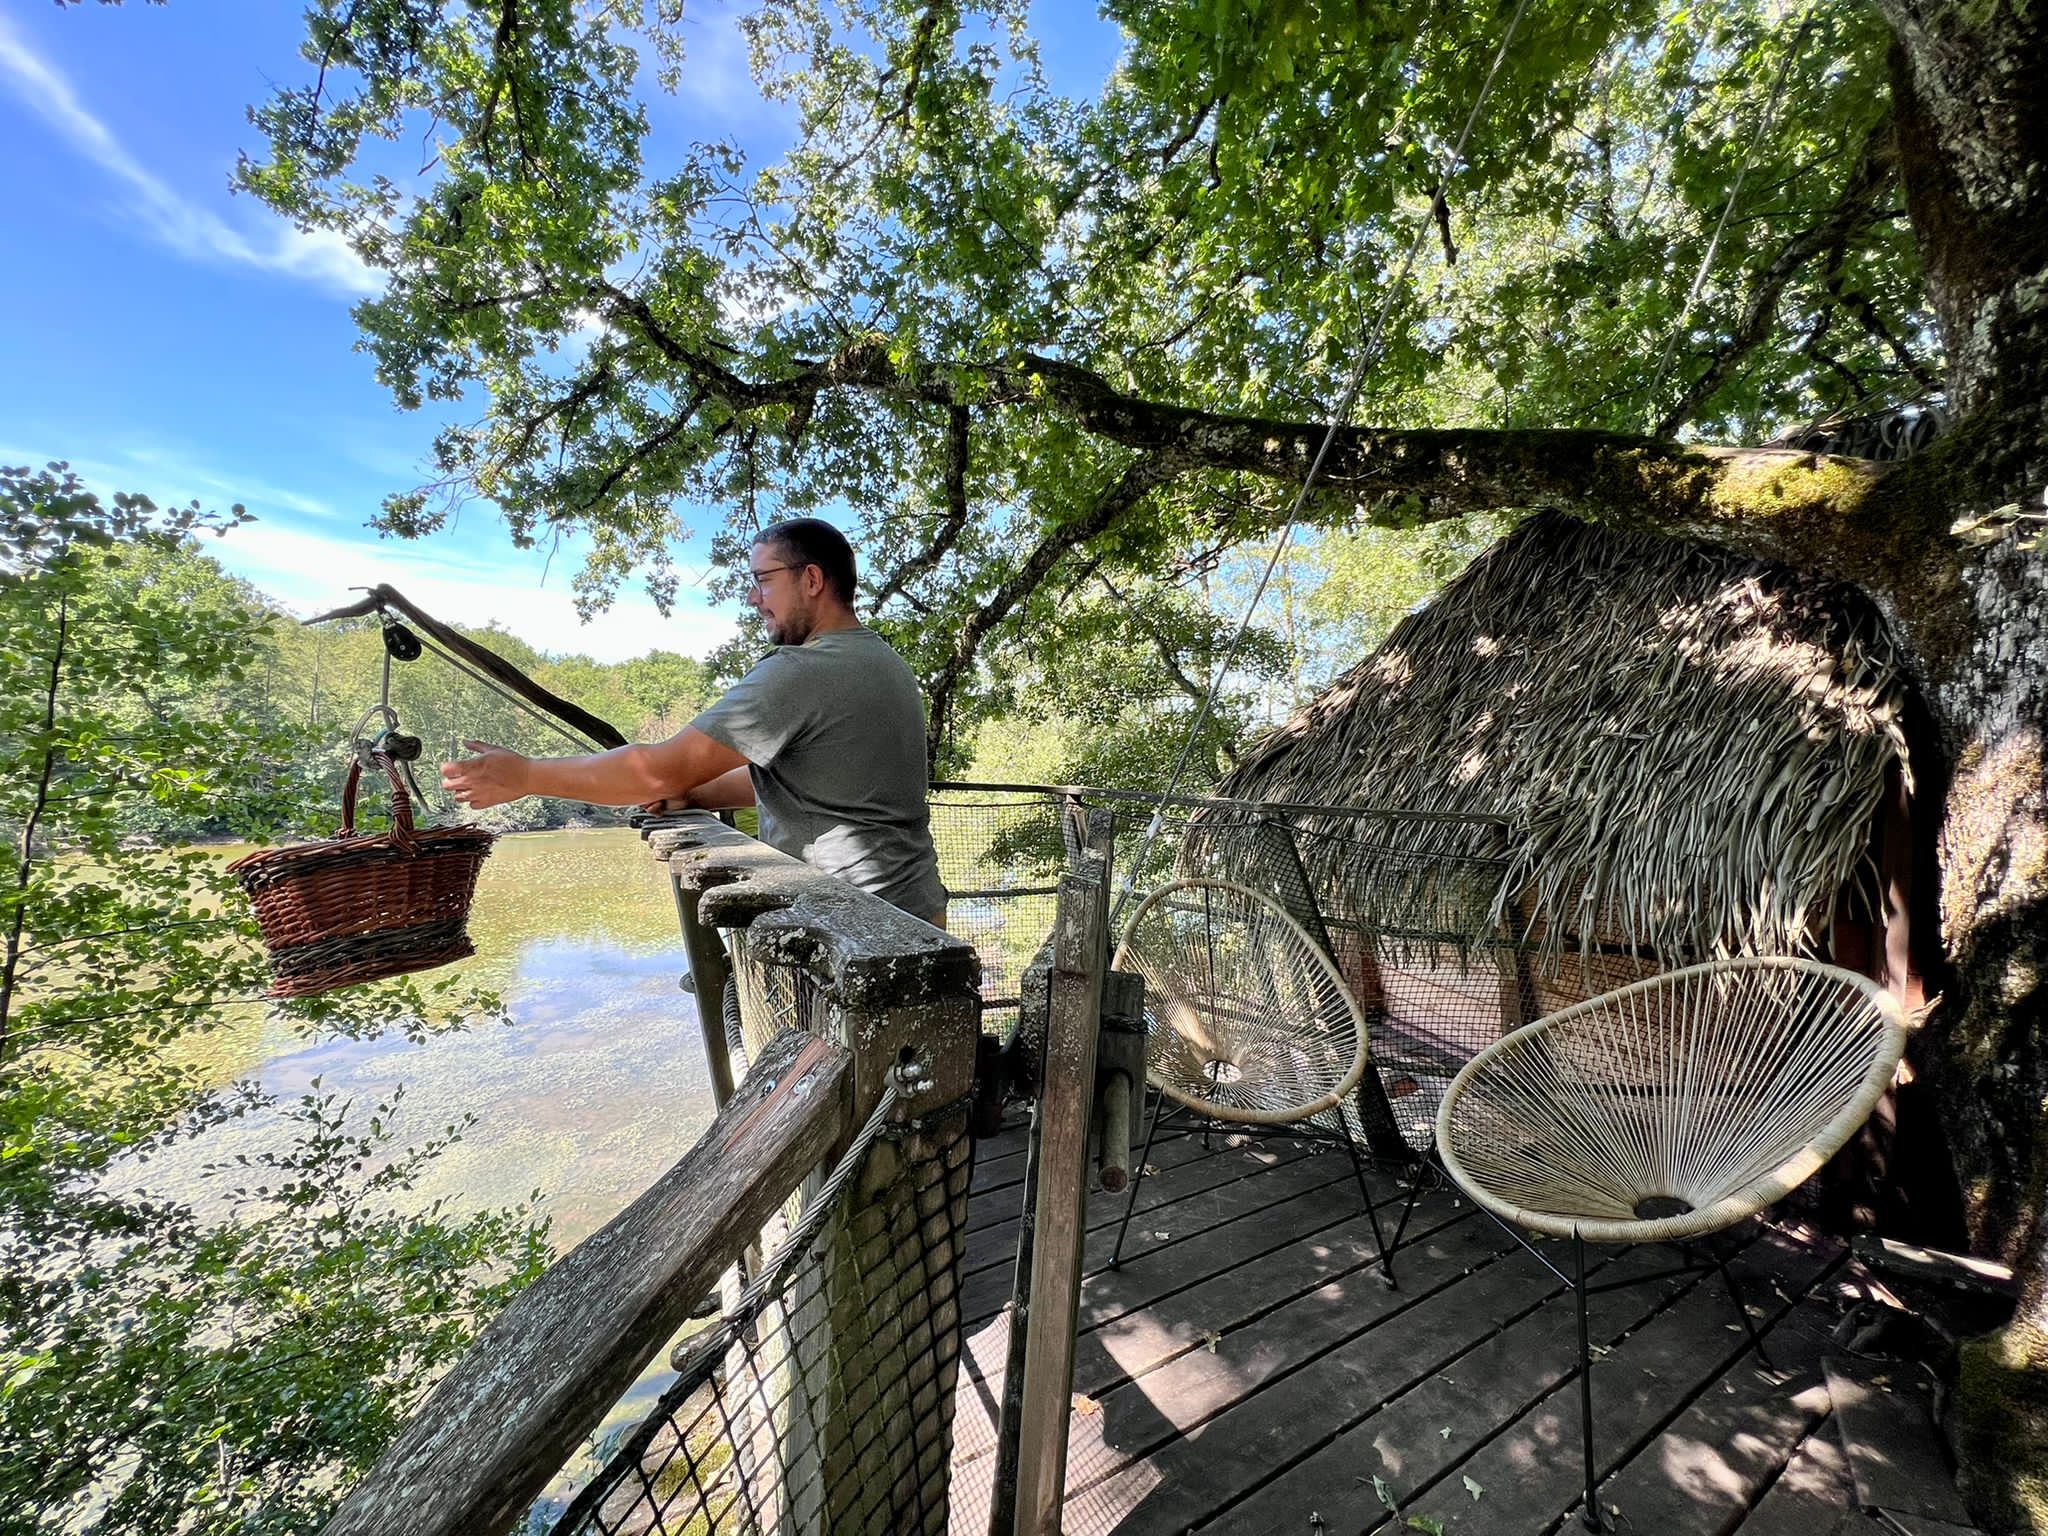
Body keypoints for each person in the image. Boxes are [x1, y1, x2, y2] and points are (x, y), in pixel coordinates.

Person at [440, 517, 947, 925]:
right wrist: (698, 794)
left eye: (763, 580)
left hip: (849, 923)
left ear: (811, 579)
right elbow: (819, 781)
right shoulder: (883, 663)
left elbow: (657, 771)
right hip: (915, 912)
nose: (753, 598)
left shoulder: (805, 669)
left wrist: (527, 776)